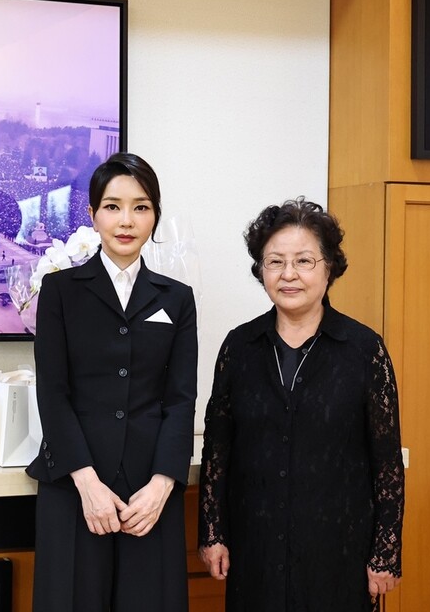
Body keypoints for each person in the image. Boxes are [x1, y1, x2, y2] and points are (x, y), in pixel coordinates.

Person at [197, 198, 404, 611]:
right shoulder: (239, 348)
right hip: (255, 551)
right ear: (261, 270)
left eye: (304, 261)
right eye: (275, 262)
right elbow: (218, 449)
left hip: (339, 555)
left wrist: (385, 553)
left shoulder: (364, 350)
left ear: (329, 267)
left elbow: (386, 463)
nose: (288, 274)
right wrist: (213, 532)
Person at [27, 152, 197, 612]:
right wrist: (87, 483)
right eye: (113, 206)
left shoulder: (177, 299)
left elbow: (181, 400)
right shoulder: (60, 292)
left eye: (141, 207)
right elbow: (53, 394)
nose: (127, 220)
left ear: (155, 216)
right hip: (75, 484)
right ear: (92, 214)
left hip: (149, 494)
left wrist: (163, 484)